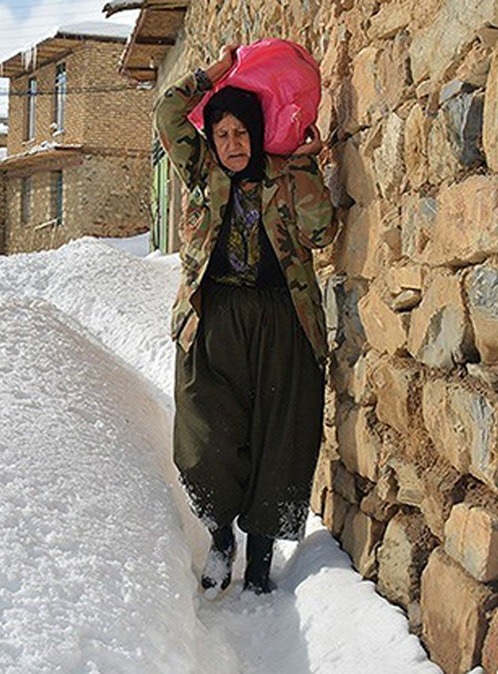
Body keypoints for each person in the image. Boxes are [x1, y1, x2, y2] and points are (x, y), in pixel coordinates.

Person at [155, 43, 338, 596]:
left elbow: (323, 231)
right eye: (223, 135)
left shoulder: (287, 175)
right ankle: (220, 537)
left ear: (257, 134)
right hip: (212, 321)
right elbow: (167, 112)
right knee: (205, 438)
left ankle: (260, 556)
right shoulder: (199, 171)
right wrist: (213, 75)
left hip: (283, 322)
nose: (232, 145)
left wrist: (305, 167)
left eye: (241, 134)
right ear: (211, 139)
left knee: (278, 438)